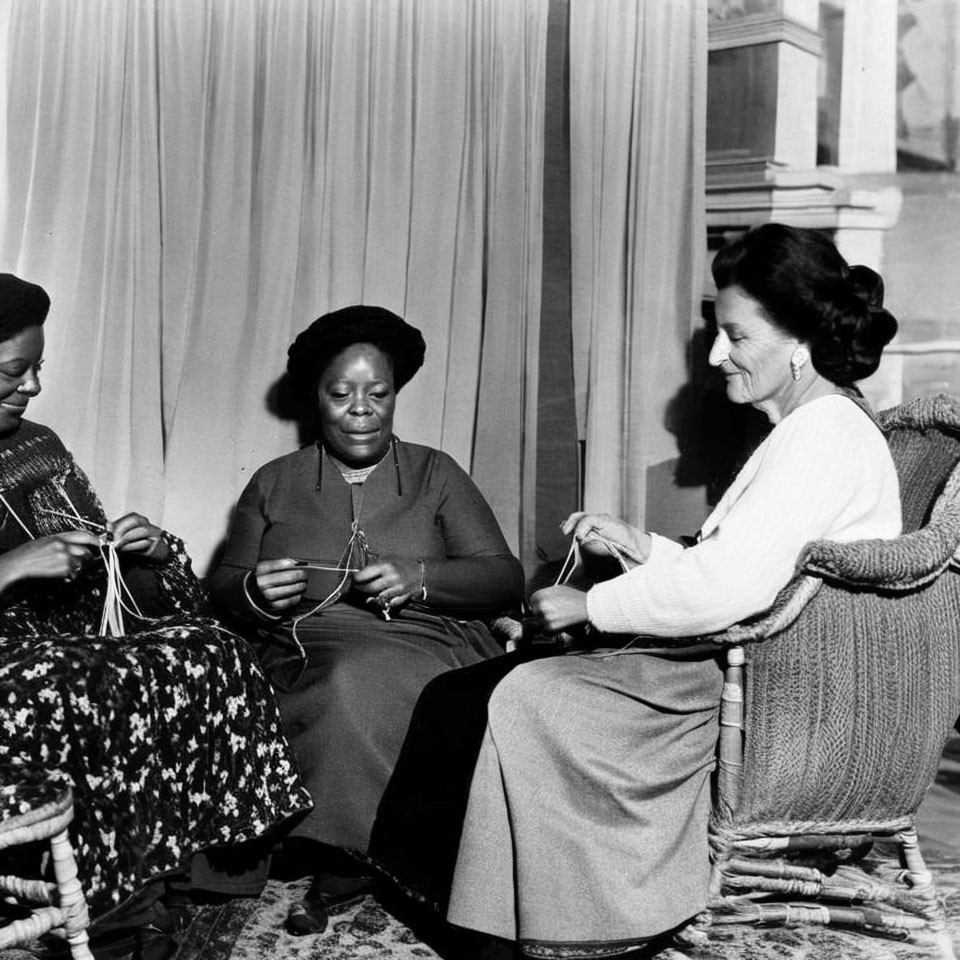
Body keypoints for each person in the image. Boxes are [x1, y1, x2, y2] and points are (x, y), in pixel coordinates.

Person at [369, 223, 903, 959]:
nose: (718, 356)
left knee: (513, 693)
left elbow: (730, 586)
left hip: (773, 693)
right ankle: (485, 911)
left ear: (799, 340)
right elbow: (741, 564)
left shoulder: (823, 438)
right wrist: (640, 545)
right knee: (479, 690)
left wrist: (592, 606)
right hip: (754, 657)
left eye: (737, 337)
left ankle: (526, 925)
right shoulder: (813, 426)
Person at [0, 274, 312, 945]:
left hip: (65, 640)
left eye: (35, 371)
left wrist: (143, 550)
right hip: (19, 666)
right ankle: (116, 909)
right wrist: (11, 568)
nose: (30, 389)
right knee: (80, 679)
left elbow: (104, 580)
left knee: (212, 646)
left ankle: (204, 869)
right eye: (12, 373)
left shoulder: (36, 444)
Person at [208, 304, 524, 934]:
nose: (361, 407)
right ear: (315, 400)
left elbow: (504, 575)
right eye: (341, 393)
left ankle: (358, 850)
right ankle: (338, 842)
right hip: (298, 645)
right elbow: (219, 588)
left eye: (378, 393)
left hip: (422, 638)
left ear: (395, 398)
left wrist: (421, 577)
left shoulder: (436, 472)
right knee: (272, 684)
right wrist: (253, 589)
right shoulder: (273, 482)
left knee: (360, 678)